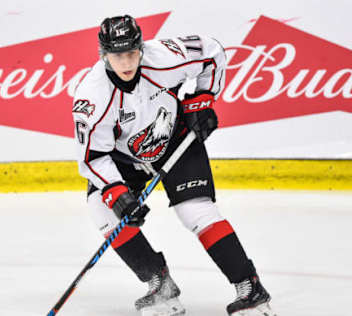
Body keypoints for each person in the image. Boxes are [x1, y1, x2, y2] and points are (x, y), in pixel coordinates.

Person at [72, 15, 276, 316]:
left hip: (175, 140)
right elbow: (93, 157)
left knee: (195, 209)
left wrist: (202, 100)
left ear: (141, 48)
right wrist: (118, 194)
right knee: (101, 209)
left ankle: (250, 287)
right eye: (117, 55)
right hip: (124, 158)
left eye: (132, 52)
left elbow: (213, 52)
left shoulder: (164, 57)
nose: (126, 62)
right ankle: (160, 284)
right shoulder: (92, 97)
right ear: (104, 55)